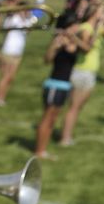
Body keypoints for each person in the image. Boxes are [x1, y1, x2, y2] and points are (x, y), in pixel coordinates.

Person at [60, 3, 104, 146]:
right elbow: (86, 48)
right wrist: (98, 27)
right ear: (94, 13)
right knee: (74, 107)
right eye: (102, 11)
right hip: (81, 71)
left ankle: (68, 135)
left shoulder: (98, 28)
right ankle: (64, 138)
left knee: (79, 107)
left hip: (90, 72)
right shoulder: (85, 28)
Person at [34, 14, 89, 159]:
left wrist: (73, 38)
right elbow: (47, 59)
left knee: (53, 119)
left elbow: (86, 48)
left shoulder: (74, 42)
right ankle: (38, 151)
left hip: (65, 86)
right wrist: (55, 45)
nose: (78, 27)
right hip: (54, 85)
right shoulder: (58, 41)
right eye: (75, 25)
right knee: (47, 118)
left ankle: (43, 150)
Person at [0, 0, 38, 106]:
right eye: (26, 10)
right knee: (5, 76)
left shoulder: (27, 20)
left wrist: (28, 21)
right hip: (9, 49)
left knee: (11, 77)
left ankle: (3, 97)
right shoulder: (13, 19)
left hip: (18, 52)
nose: (28, 12)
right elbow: (5, 28)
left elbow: (27, 32)